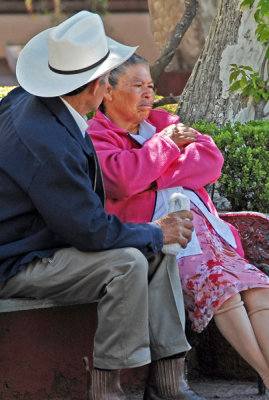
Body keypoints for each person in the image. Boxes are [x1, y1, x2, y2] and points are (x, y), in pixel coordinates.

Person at [87, 53, 269, 400]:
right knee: (223, 290)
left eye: (150, 86)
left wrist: (149, 172)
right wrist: (166, 150)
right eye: (137, 86)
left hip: (210, 235)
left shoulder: (163, 121)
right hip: (163, 240)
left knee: (258, 286)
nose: (148, 94)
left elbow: (209, 160)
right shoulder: (98, 135)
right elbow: (119, 180)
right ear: (108, 92)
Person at [0, 11, 205, 400]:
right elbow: (90, 231)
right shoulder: (48, 142)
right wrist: (154, 229)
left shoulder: (33, 100)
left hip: (43, 240)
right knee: (127, 262)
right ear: (96, 86)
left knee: (157, 252)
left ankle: (169, 383)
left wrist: (152, 235)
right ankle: (107, 390)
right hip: (16, 260)